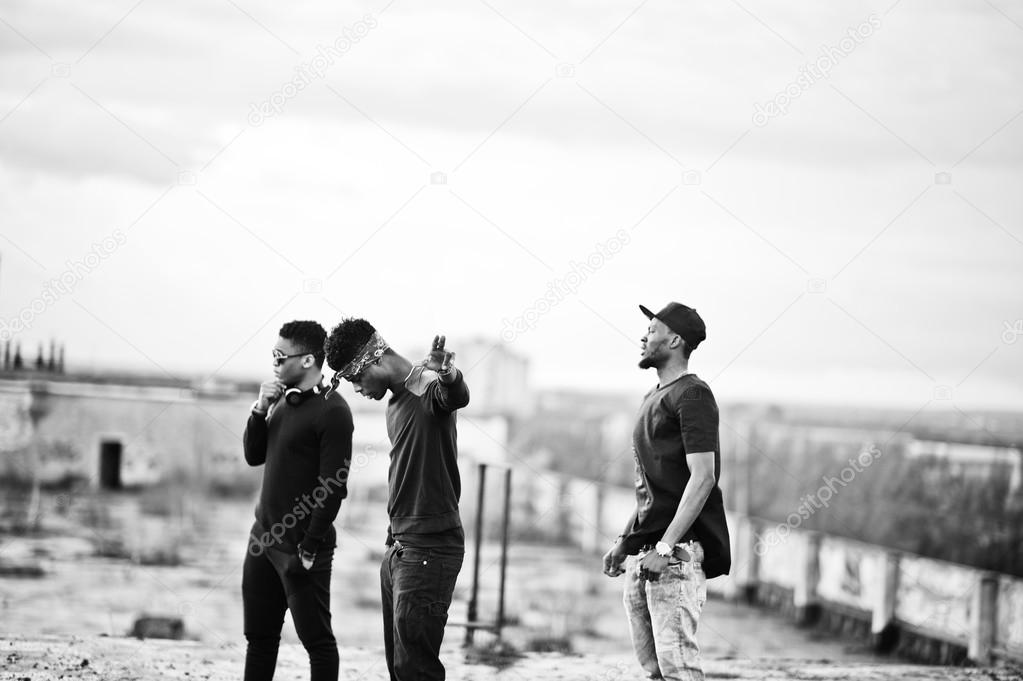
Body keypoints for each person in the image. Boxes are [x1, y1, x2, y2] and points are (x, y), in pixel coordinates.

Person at [324, 319, 469, 681]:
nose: (356, 389)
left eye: (355, 378)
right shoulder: (395, 404)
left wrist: (448, 373)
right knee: (400, 668)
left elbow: (454, 396)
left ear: (372, 361)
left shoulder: (426, 389)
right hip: (401, 548)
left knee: (416, 671)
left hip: (430, 549)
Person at [602, 302, 731, 681]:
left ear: (675, 340)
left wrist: (665, 547)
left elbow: (703, 477)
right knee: (654, 671)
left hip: (675, 555)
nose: (643, 336)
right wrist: (626, 542)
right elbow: (654, 489)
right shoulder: (653, 397)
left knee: (680, 670)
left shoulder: (693, 395)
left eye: (653, 329)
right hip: (647, 556)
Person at [242, 320, 354, 681]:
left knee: (318, 644)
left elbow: (333, 486)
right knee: (259, 639)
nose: (274, 362)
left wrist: (309, 546)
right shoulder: (282, 402)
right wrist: (260, 410)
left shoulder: (332, 411)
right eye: (272, 355)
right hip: (262, 541)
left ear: (307, 360)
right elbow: (254, 455)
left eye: (280, 355)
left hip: (301, 549)